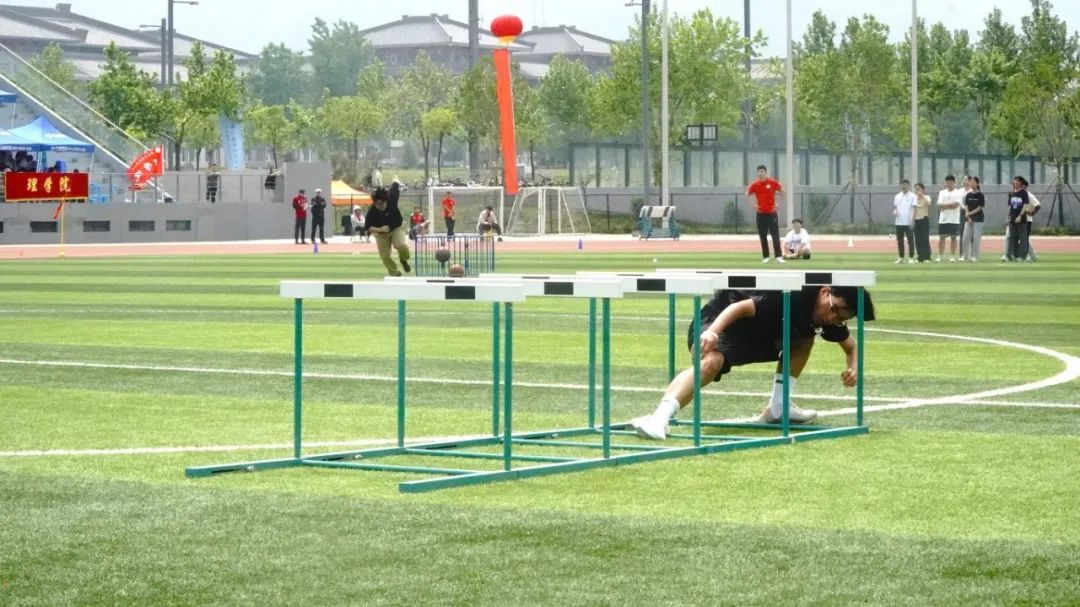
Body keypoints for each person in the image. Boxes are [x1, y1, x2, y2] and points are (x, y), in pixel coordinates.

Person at [630, 285, 876, 440]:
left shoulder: (826, 318)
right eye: (834, 309)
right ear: (825, 291)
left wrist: (853, 368)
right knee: (711, 362)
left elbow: (851, 347)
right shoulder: (791, 294)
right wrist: (712, 333)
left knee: (804, 338)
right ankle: (658, 419)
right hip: (721, 319)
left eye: (842, 318)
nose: (833, 318)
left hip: (757, 335)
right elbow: (739, 308)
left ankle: (778, 407)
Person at [365, 180, 412, 276]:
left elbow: (395, 185)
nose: (379, 206)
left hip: (396, 228)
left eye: (381, 203)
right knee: (385, 257)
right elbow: (368, 227)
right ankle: (395, 273)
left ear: (386, 201)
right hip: (380, 234)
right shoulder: (372, 211)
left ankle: (403, 260)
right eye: (377, 204)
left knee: (401, 245)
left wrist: (395, 181)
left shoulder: (392, 199)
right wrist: (381, 229)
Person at [746, 165, 785, 263]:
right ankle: (766, 256)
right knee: (762, 235)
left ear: (766, 172)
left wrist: (779, 205)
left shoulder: (772, 182)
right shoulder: (755, 184)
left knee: (775, 235)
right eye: (759, 171)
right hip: (761, 214)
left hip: (771, 213)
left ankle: (778, 256)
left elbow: (783, 191)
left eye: (762, 171)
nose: (760, 173)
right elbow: (748, 194)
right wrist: (753, 205)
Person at [935, 174, 964, 262]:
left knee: (953, 237)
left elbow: (956, 205)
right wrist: (949, 205)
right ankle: (940, 256)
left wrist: (944, 206)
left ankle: (952, 256)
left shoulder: (958, 192)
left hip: (954, 219)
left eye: (950, 182)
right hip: (943, 219)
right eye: (947, 182)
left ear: (954, 183)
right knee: (942, 237)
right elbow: (939, 205)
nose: (948, 184)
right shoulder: (942, 192)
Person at [1005, 175, 1031, 262]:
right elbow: (1010, 206)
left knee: (1023, 238)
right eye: (1014, 181)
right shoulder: (1011, 193)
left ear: (1021, 183)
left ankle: (1022, 256)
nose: (1015, 183)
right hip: (1012, 219)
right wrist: (1007, 217)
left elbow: (1025, 205)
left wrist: (1020, 215)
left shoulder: (1024, 193)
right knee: (1011, 237)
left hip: (1021, 220)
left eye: (1017, 182)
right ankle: (1009, 255)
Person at [960, 176, 985, 262]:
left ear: (977, 184)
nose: (971, 184)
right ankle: (964, 256)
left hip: (978, 219)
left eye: (973, 182)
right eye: (971, 182)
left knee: (976, 239)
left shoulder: (980, 195)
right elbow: (966, 205)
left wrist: (970, 213)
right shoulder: (968, 195)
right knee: (965, 238)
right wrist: (968, 215)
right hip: (968, 219)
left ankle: (974, 257)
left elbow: (980, 207)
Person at [893, 179, 917, 264]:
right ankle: (901, 257)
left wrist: (913, 221)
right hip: (899, 222)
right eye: (902, 184)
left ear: (908, 185)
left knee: (910, 240)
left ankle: (911, 258)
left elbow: (915, 209)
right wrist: (895, 212)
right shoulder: (897, 196)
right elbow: (895, 208)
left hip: (908, 222)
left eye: (905, 184)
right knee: (900, 241)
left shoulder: (913, 196)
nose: (903, 186)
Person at [913, 183, 932, 262]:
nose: (917, 190)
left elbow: (928, 203)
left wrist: (922, 196)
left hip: (924, 219)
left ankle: (927, 257)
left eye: (919, 189)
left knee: (925, 238)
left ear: (923, 189)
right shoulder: (914, 198)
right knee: (918, 239)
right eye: (916, 189)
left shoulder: (927, 197)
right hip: (916, 220)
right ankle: (920, 257)